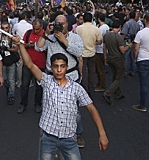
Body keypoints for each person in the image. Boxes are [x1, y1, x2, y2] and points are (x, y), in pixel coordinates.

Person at [12, 36, 108, 160]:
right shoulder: (46, 82)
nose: (58, 70)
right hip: (48, 137)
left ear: (66, 67)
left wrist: (102, 133)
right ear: (51, 67)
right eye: (55, 66)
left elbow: (92, 109)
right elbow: (30, 64)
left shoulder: (76, 88)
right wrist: (21, 46)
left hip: (69, 140)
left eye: (61, 66)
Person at [35, 14, 87, 148]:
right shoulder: (50, 38)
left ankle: (78, 133)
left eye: (62, 23)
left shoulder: (75, 38)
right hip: (52, 78)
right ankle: (52, 132)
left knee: (74, 110)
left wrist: (64, 41)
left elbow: (79, 52)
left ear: (68, 25)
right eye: (57, 23)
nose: (60, 25)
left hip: (71, 77)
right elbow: (38, 47)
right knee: (50, 106)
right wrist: (45, 33)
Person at [18, 19, 46, 114]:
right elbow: (22, 45)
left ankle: (37, 104)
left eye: (37, 29)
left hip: (40, 65)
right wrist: (27, 45)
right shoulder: (28, 33)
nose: (36, 31)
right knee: (24, 85)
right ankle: (23, 104)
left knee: (39, 87)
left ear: (41, 27)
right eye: (34, 29)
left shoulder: (45, 35)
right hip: (28, 64)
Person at [76, 12, 103, 96]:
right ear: (92, 19)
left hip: (81, 53)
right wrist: (93, 42)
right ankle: (91, 89)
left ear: (83, 19)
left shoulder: (78, 28)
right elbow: (99, 41)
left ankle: (84, 90)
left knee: (83, 72)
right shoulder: (96, 29)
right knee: (91, 72)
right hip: (92, 53)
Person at [102, 20, 128, 105]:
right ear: (120, 27)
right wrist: (129, 46)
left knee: (115, 75)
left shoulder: (106, 35)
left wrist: (105, 58)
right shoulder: (118, 37)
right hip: (118, 58)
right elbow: (123, 50)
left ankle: (118, 94)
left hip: (110, 57)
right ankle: (108, 93)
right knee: (120, 77)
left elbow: (104, 48)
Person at [0, 22, 19, 105]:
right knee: (5, 80)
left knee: (11, 79)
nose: (5, 30)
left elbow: (16, 49)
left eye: (6, 28)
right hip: (2, 61)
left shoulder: (12, 37)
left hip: (11, 60)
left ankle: (11, 95)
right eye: (3, 28)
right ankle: (8, 90)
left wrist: (7, 49)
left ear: (9, 28)